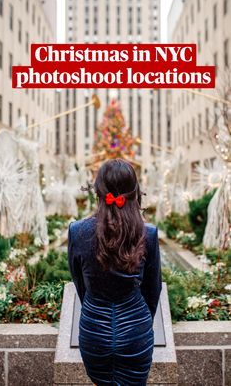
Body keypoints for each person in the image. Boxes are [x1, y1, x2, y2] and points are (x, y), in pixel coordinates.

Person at [68, 159, 162, 386]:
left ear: (98, 190)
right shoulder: (148, 233)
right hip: (136, 331)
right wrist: (139, 323)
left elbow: (80, 284)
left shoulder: (77, 231)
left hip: (93, 332)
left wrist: (94, 309)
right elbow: (153, 289)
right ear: (135, 192)